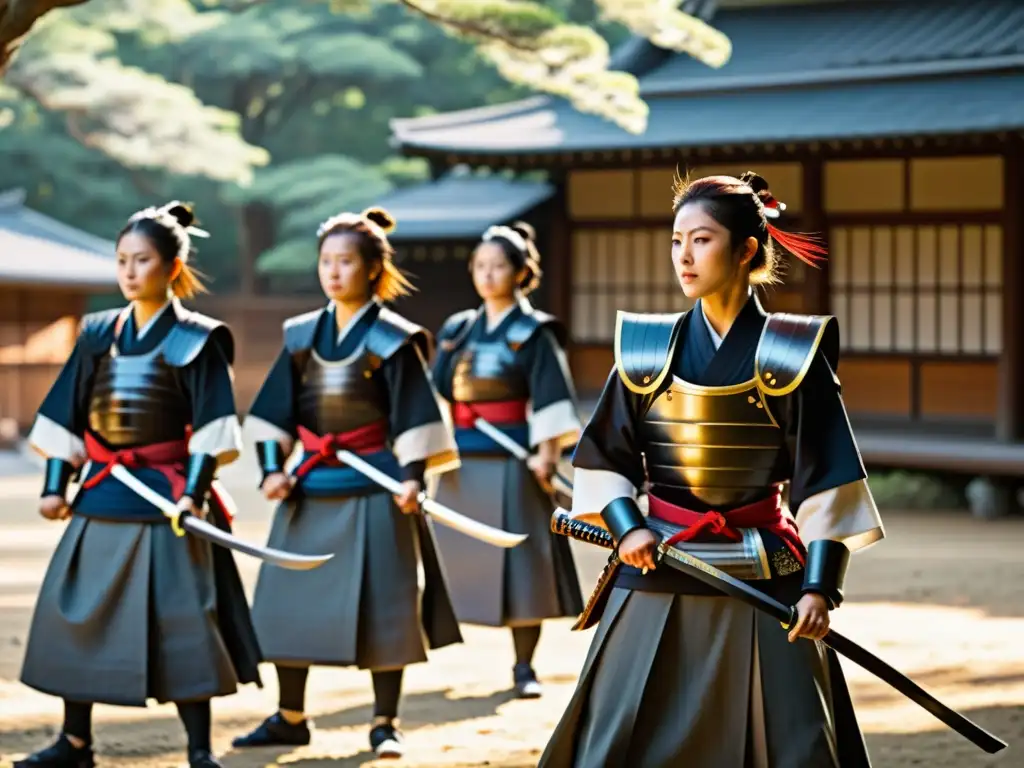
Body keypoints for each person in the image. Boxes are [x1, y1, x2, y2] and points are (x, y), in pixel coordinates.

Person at [539, 172, 885, 767]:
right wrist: (629, 529)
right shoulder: (647, 348)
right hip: (658, 558)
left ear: (747, 249)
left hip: (766, 569)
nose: (684, 256)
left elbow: (827, 480)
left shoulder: (793, 354)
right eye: (676, 241)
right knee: (621, 731)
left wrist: (821, 586)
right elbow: (604, 459)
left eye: (700, 240)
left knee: (788, 742)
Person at [15, 202, 261, 768]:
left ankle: (199, 749)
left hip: (168, 501)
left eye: (142, 260)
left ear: (172, 266)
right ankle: (75, 741)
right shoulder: (98, 333)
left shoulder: (199, 339)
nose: (129, 271)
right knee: (78, 613)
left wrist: (192, 495)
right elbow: (65, 416)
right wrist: (57, 484)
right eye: (121, 259)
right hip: (103, 496)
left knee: (184, 620)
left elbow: (214, 426)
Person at [231, 207, 463, 759]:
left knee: (387, 606)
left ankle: (385, 722)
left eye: (346, 262)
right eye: (326, 261)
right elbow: (272, 413)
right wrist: (271, 470)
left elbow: (415, 417)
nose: (333, 272)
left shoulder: (394, 339)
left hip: (377, 490)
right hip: (310, 489)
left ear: (373, 269)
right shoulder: (301, 336)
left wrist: (412, 477)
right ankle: (290, 716)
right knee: (288, 601)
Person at [430, 221, 584, 699]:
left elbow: (552, 398)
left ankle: (524, 666)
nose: (488, 275)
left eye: (498, 266)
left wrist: (546, 453)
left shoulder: (534, 332)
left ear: (520, 272)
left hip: (514, 460)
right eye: (481, 266)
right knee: (453, 560)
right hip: (462, 459)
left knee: (522, 564)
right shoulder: (458, 329)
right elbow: (435, 388)